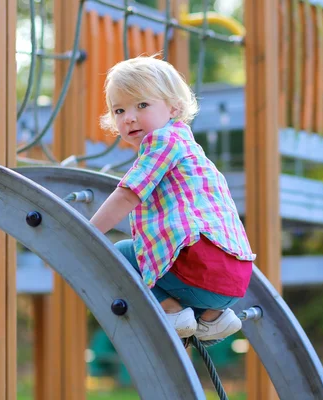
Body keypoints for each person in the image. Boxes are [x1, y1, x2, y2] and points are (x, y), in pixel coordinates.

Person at [90, 54, 255, 341]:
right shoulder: (189, 147)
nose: (129, 117)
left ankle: (171, 311)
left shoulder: (162, 141)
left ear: (173, 106)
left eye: (142, 105)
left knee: (122, 254)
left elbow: (128, 195)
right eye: (119, 110)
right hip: (235, 278)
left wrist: (88, 232)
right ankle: (212, 318)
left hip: (199, 270)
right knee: (160, 250)